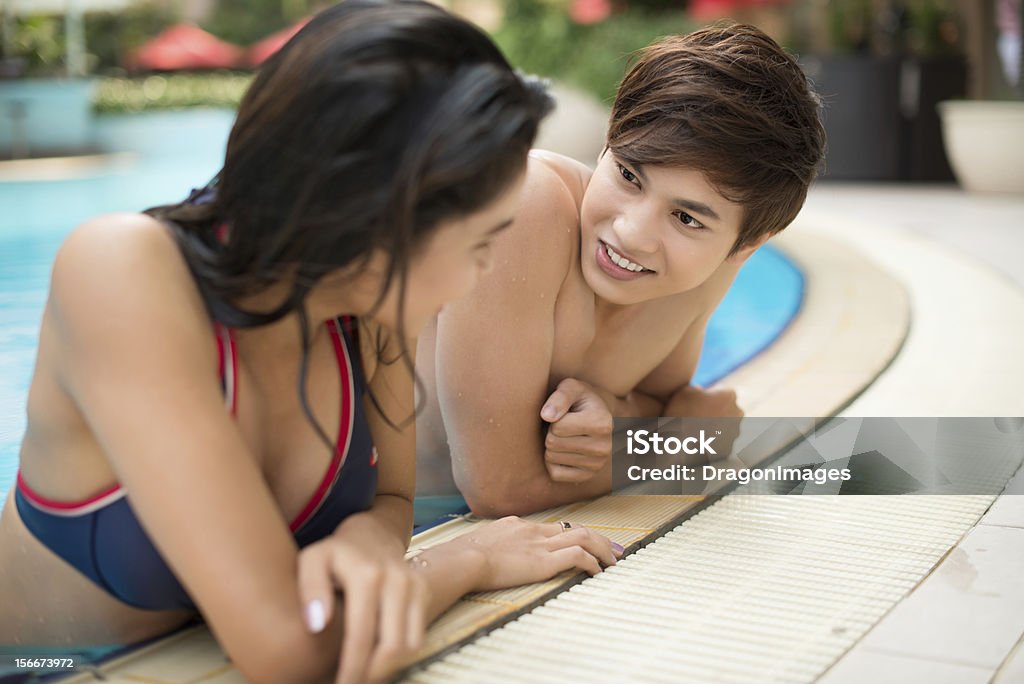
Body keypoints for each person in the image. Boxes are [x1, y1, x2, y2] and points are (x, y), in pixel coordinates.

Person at [0, 2, 622, 683]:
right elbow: (292, 654)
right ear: (385, 216)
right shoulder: (120, 271)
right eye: (479, 243)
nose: (483, 273)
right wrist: (466, 561)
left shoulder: (374, 315)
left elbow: (391, 503)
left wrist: (364, 540)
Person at [416, 23, 827, 516]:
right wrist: (679, 449)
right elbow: (500, 487)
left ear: (747, 246)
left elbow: (656, 404)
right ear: (609, 140)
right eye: (629, 175)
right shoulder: (525, 206)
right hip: (376, 518)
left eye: (685, 217)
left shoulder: (704, 270)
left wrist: (623, 420)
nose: (631, 232)